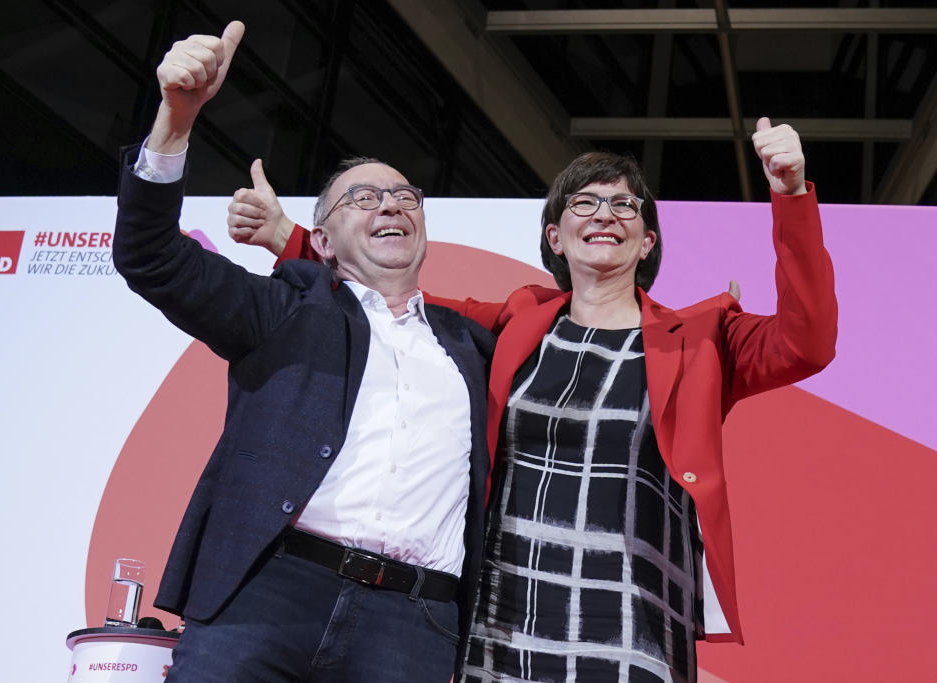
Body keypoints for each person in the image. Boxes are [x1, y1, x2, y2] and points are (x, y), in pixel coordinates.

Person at [230, 117, 837, 681]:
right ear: (556, 235)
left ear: (647, 240)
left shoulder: (703, 339)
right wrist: (290, 238)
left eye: (625, 204)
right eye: (585, 203)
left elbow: (806, 341)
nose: (606, 214)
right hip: (505, 611)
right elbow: (397, 300)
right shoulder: (519, 322)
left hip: (633, 620)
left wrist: (788, 194)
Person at [112, 21, 496, 682]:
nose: (390, 205)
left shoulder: (474, 347)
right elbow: (151, 257)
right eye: (364, 197)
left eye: (406, 196)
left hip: (414, 623)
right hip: (269, 593)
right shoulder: (286, 308)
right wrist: (175, 124)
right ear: (320, 240)